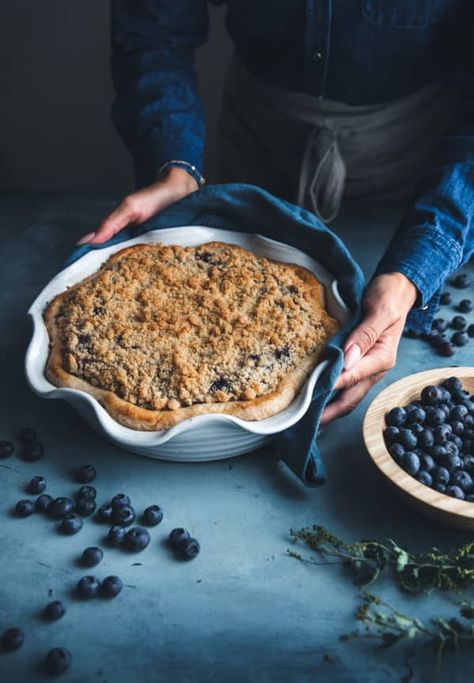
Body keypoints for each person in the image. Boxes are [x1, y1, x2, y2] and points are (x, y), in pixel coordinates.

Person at [77, 1, 473, 423]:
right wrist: (174, 165)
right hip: (257, 136)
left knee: (373, 313)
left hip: (419, 163)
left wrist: (412, 273)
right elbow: (155, 29)